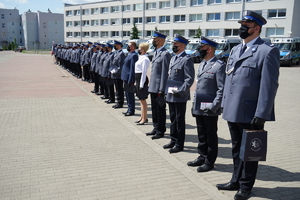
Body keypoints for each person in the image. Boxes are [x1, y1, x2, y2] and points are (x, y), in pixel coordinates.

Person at [216, 10, 280, 200]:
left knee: (250, 152)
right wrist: (224, 104)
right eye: (241, 25)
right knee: (236, 148)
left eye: (246, 26)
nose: (242, 29)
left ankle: (245, 186)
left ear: (257, 28)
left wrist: (262, 113)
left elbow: (269, 85)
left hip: (251, 112)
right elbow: (230, 79)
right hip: (233, 109)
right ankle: (235, 180)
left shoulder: (267, 51)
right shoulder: (236, 49)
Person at [187, 36, 226, 172]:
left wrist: (214, 106)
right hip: (200, 105)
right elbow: (198, 87)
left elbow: (221, 89)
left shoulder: (219, 66)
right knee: (201, 133)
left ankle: (210, 161)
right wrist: (194, 105)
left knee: (210, 135)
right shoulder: (203, 63)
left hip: (210, 107)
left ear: (209, 49)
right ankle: (202, 156)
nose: (199, 50)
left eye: (202, 47)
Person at [163, 34, 195, 153]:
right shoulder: (173, 58)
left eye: (175, 45)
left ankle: (179, 144)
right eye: (173, 45)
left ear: (182, 46)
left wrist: (181, 90)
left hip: (180, 95)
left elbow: (189, 78)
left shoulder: (186, 59)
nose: (173, 46)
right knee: (172, 119)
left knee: (179, 119)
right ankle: (173, 139)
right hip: (171, 93)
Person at [146, 31, 171, 139]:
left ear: (160, 40)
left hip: (159, 88)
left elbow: (165, 73)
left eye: (155, 39)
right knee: (154, 109)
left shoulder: (165, 54)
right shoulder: (156, 52)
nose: (153, 41)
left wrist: (162, 89)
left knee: (160, 110)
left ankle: (160, 130)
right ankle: (155, 127)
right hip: (153, 87)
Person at [134, 42, 150, 125]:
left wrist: (141, 85)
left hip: (141, 79)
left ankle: (144, 118)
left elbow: (144, 73)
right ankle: (142, 116)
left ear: (143, 49)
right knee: (140, 99)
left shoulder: (145, 59)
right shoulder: (140, 57)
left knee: (143, 100)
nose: (138, 49)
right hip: (138, 79)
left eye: (140, 48)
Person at [121, 41, 138, 116]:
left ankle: (131, 110)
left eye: (129, 46)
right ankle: (128, 108)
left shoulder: (134, 55)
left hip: (129, 79)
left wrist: (131, 80)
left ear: (133, 47)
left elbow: (132, 69)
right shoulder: (129, 54)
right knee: (127, 95)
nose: (128, 47)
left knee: (130, 95)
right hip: (125, 77)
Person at [111, 40, 125, 109]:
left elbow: (120, 66)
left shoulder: (121, 54)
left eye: (115, 45)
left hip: (118, 75)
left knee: (119, 89)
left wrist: (116, 72)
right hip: (115, 74)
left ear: (119, 45)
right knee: (117, 89)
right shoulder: (116, 53)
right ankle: (118, 101)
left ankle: (120, 102)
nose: (114, 46)